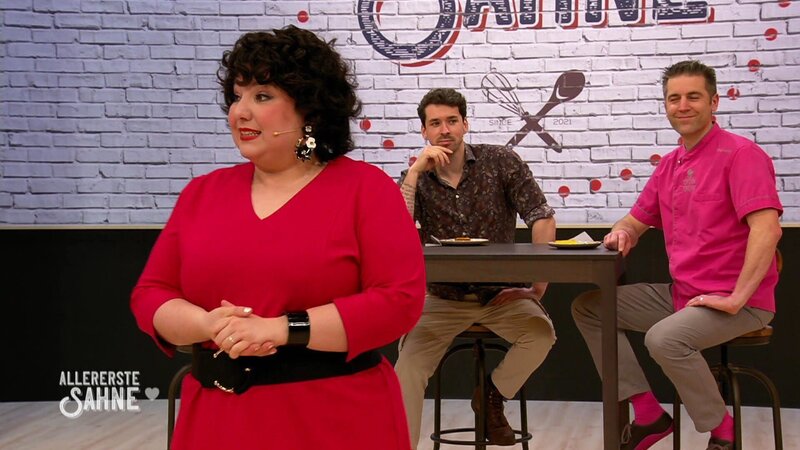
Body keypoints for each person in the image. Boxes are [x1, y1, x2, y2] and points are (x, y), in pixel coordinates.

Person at [130, 26, 426, 450]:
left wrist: (282, 329)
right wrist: (208, 325)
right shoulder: (202, 193)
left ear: (309, 110)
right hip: (215, 424)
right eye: (237, 96)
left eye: (262, 96)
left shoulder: (366, 189)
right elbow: (151, 293)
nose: (240, 111)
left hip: (337, 421)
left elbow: (399, 301)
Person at [571, 60, 783, 450]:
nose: (682, 106)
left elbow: (767, 230)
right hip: (683, 294)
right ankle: (648, 414)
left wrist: (736, 299)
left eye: (693, 97)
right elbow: (634, 220)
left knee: (664, 338)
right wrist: (623, 231)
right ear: (666, 105)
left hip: (740, 301)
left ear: (714, 102)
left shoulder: (742, 155)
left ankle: (723, 431)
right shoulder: (669, 165)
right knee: (591, 308)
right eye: (674, 98)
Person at [394, 88, 557, 448]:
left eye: (452, 120)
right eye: (435, 123)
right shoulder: (415, 177)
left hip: (500, 295)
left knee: (541, 334)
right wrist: (415, 173)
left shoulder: (500, 160)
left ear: (465, 124)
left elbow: (542, 217)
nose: (445, 130)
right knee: (406, 369)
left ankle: (491, 396)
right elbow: (397, 236)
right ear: (424, 131)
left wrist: (537, 287)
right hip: (443, 298)